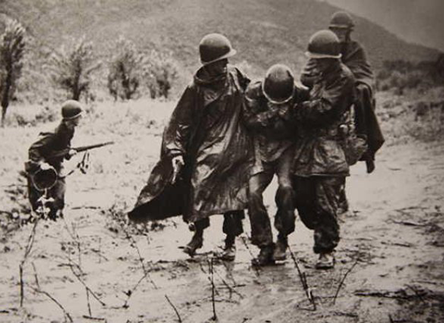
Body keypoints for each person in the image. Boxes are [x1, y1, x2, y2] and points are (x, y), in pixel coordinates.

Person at [128, 33, 253, 261]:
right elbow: (179, 122)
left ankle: (230, 242)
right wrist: (175, 152)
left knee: (233, 195)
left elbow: (252, 94)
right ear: (210, 64)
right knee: (198, 185)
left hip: (237, 145)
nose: (226, 63)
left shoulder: (235, 75)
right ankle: (198, 235)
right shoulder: (195, 88)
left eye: (227, 59)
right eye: (222, 60)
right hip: (208, 147)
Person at [301, 11, 384, 214]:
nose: (338, 34)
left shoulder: (356, 49)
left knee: (361, 93)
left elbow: (364, 74)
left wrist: (343, 79)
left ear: (348, 32)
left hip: (349, 99)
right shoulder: (323, 47)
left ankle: (365, 137)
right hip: (326, 99)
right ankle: (337, 196)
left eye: (342, 31)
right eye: (335, 30)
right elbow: (305, 75)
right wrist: (323, 79)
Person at [292, 30, 356, 269]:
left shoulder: (343, 77)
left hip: (331, 148)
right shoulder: (320, 73)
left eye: (319, 58)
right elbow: (308, 89)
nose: (315, 62)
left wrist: (297, 110)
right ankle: (320, 230)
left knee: (326, 200)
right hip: (308, 146)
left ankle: (326, 249)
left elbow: (324, 109)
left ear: (332, 58)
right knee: (302, 198)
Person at [242, 64, 309, 266]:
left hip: (287, 148)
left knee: (287, 189)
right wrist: (270, 115)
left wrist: (289, 115)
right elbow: (247, 121)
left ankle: (283, 237)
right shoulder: (253, 92)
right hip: (260, 147)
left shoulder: (301, 94)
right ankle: (264, 245)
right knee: (253, 193)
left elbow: (308, 121)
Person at [25, 100, 83, 220]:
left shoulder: (70, 130)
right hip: (39, 165)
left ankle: (54, 218)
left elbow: (63, 148)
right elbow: (33, 149)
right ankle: (38, 220)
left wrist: (68, 153)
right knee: (38, 196)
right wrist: (41, 164)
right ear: (71, 119)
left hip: (55, 163)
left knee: (59, 192)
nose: (81, 118)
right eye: (78, 116)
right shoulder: (52, 133)